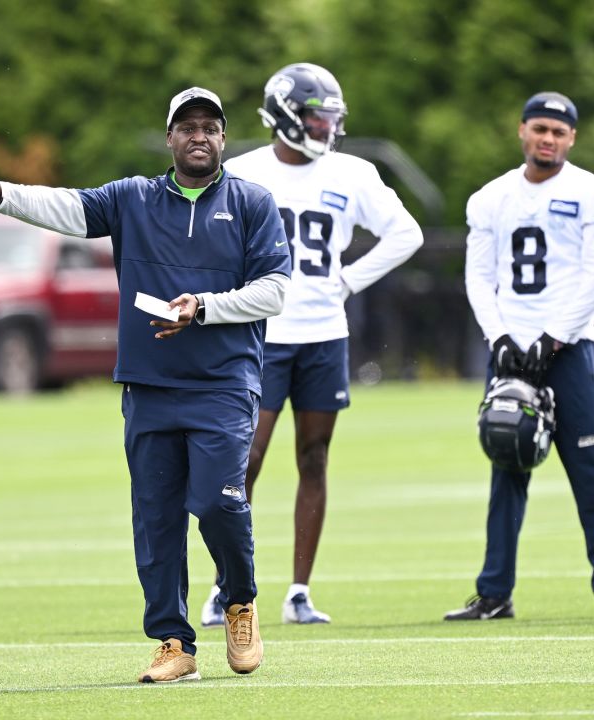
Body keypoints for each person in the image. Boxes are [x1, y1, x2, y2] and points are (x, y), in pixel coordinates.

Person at [0, 87, 291, 683]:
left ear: (224, 137)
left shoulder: (253, 203)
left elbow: (275, 291)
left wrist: (203, 307)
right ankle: (174, 643)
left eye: (210, 126)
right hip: (150, 385)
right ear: (169, 138)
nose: (199, 135)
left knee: (216, 503)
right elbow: (66, 208)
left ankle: (239, 600)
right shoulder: (134, 198)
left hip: (223, 385)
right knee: (156, 519)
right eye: (187, 127)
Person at [199, 63, 423, 627]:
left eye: (330, 118)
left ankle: (299, 589)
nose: (325, 128)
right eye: (316, 117)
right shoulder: (244, 172)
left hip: (324, 334)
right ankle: (228, 585)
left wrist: (349, 279)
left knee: (314, 458)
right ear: (284, 116)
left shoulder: (353, 173)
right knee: (244, 460)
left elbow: (406, 233)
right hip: (261, 335)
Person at [446, 91, 594, 621]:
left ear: (572, 138)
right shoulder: (491, 198)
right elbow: (480, 276)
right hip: (509, 351)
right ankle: (494, 593)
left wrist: (553, 337)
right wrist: (499, 338)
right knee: (507, 465)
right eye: (539, 129)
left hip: (569, 348)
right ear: (522, 132)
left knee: (589, 466)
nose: (547, 139)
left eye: (558, 131)